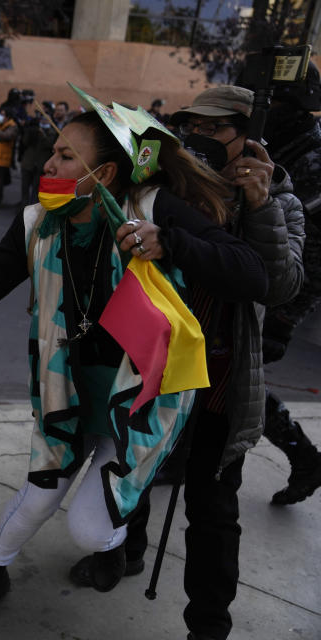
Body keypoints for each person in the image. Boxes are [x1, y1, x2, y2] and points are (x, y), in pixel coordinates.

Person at [0, 85, 292, 633]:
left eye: (66, 155)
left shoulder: (164, 208)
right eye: (191, 125)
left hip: (153, 397)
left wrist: (174, 241)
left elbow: (260, 277)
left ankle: (143, 572)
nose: (49, 162)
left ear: (104, 174)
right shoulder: (41, 221)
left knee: (137, 523)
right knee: (40, 495)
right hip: (69, 391)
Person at [66, 85, 305, 640]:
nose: (199, 138)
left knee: (213, 512)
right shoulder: (165, 185)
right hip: (153, 368)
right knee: (135, 473)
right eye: (191, 126)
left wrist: (259, 207)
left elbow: (281, 285)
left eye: (215, 129)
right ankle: (122, 553)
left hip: (221, 383)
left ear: (250, 139)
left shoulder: (278, 201)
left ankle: (208, 625)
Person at [255, 62, 321, 506]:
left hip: (282, 294)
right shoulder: (279, 146)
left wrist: (284, 317)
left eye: (274, 102)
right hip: (254, 283)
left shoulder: (313, 159)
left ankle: (304, 456)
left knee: (232, 378)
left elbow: (312, 250)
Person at [17, 108, 58, 207]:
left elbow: (50, 145)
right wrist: (31, 131)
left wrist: (43, 135)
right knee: (25, 187)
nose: (44, 120)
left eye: (47, 119)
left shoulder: (53, 132)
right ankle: (23, 207)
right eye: (43, 118)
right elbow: (25, 142)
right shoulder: (33, 129)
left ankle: (32, 208)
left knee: (36, 189)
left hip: (41, 165)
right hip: (28, 163)